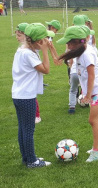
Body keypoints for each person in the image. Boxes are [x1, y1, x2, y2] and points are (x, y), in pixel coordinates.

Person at [57, 26, 98, 162]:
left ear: (78, 42)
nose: (67, 46)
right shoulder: (81, 51)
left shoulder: (87, 54)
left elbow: (92, 75)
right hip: (96, 90)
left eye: (69, 43)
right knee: (96, 119)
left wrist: (87, 95)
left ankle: (97, 150)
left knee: (93, 120)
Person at [12, 23, 52, 168]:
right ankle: (32, 161)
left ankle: (27, 156)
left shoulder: (22, 50)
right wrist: (45, 51)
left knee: (23, 128)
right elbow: (46, 69)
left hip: (18, 95)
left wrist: (43, 48)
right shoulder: (29, 54)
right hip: (26, 96)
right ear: (38, 41)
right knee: (28, 129)